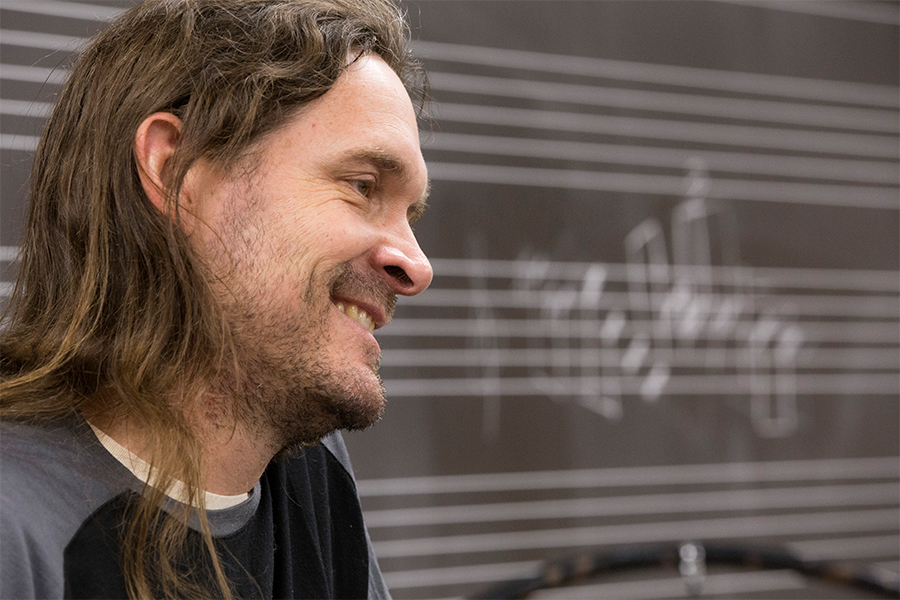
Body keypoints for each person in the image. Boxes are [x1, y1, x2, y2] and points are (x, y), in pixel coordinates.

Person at [0, 0, 432, 598]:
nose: (416, 265)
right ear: (176, 170)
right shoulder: (14, 530)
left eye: (411, 214)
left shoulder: (309, 473)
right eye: (362, 187)